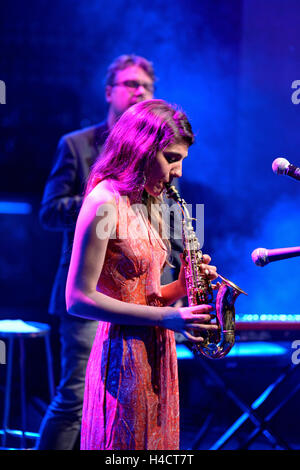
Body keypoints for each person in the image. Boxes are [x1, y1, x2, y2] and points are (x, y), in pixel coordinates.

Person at [37, 55, 182, 450]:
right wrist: (102, 214)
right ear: (109, 92)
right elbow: (49, 211)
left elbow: (167, 224)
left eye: (146, 88)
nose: (139, 93)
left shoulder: (160, 164)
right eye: (131, 85)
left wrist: (185, 276)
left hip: (144, 299)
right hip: (98, 290)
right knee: (75, 400)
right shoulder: (80, 149)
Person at [66, 99, 218, 450]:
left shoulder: (147, 202)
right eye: (172, 158)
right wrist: (166, 316)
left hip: (157, 352)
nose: (178, 171)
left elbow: (144, 293)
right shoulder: (103, 201)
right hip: (121, 359)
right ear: (141, 149)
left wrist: (182, 286)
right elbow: (78, 298)